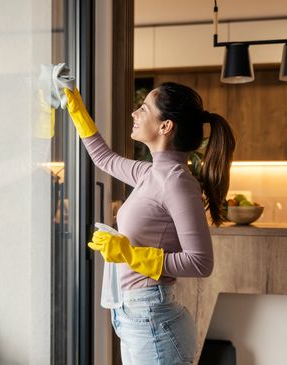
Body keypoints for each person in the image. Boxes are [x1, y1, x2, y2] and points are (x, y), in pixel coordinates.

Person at [64, 82, 236, 365]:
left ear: (166, 126)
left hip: (153, 318)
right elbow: (104, 159)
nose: (134, 113)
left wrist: (131, 255)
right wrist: (76, 110)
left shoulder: (177, 183)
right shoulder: (151, 173)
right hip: (133, 314)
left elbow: (201, 262)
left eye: (144, 109)